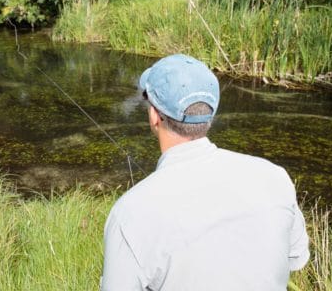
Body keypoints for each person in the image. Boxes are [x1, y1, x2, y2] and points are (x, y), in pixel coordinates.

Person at [101, 54, 309, 291]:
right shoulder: (275, 177)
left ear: (154, 116)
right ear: (210, 114)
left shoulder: (129, 214)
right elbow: (296, 259)